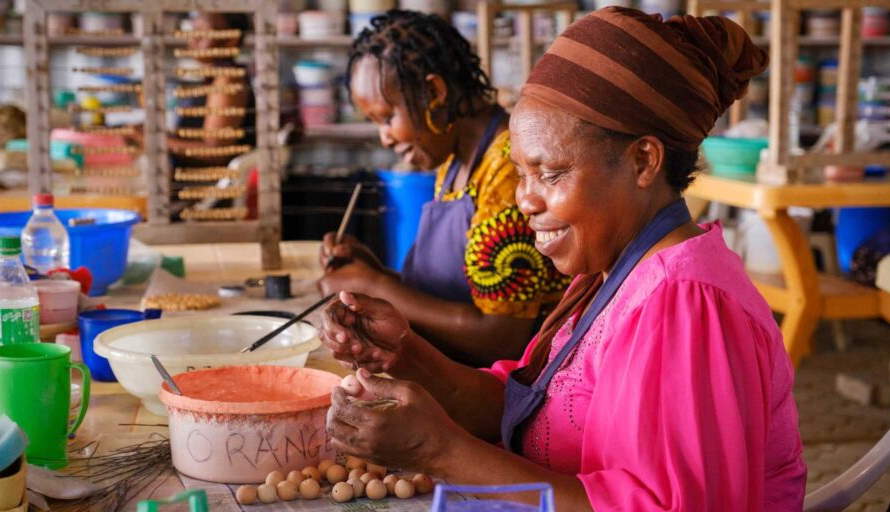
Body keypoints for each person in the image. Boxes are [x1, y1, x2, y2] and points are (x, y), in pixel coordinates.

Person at [321, 7, 807, 510]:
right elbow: (529, 408)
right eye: (521, 174)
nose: (525, 200)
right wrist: (405, 354)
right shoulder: (611, 274)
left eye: (550, 174)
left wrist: (439, 450)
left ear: (643, 160)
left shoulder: (687, 305)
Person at [319, 10, 569, 367]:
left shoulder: (507, 170)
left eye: (387, 118)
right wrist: (368, 272)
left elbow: (502, 337)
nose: (384, 138)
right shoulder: (454, 165)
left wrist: (377, 286)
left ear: (434, 92)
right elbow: (451, 295)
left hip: (509, 394)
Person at [169, 11, 254, 167]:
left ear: (230, 40)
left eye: (203, 33)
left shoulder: (228, 80)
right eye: (193, 31)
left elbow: (216, 152)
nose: (194, 39)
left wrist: (155, 141)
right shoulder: (214, 78)